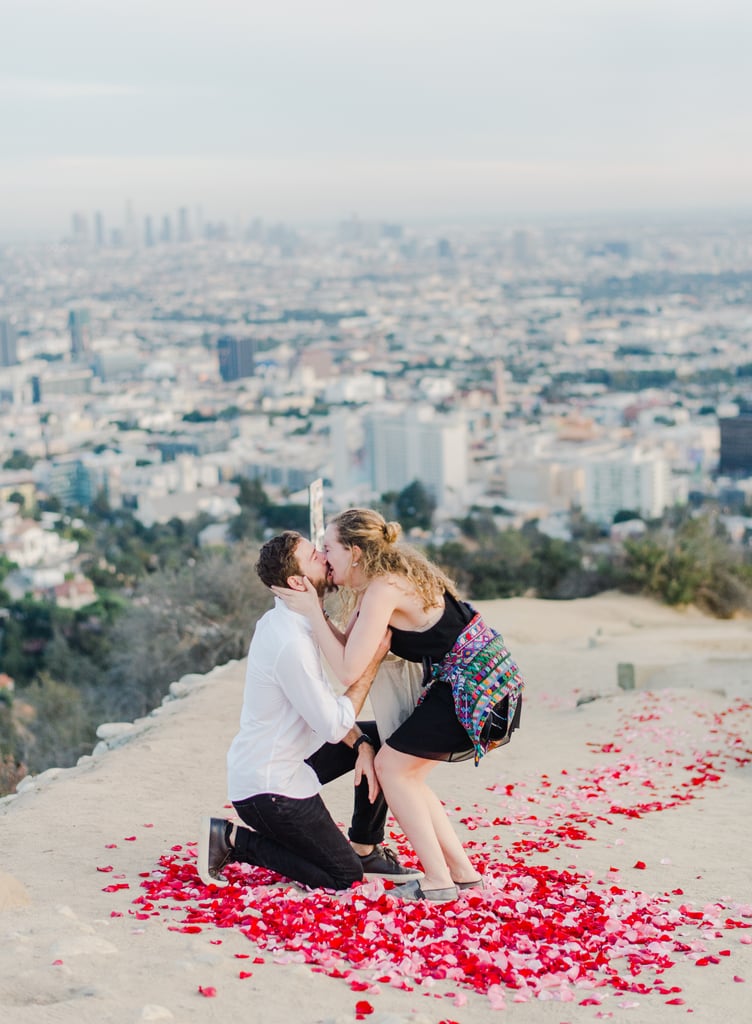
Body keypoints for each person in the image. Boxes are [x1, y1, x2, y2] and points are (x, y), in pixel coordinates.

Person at [271, 508, 523, 903]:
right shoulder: (376, 587)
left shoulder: (383, 589)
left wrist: (312, 613)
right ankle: (463, 874)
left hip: (474, 692)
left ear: (354, 552)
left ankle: (438, 882)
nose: (324, 556)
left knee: (392, 768)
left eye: (329, 548)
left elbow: (349, 668)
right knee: (406, 773)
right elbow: (345, 656)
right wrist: (313, 612)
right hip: (477, 686)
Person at [198, 530, 422, 892]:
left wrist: (363, 743)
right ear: (295, 581)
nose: (324, 556)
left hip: (294, 760)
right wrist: (371, 663)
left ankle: (365, 847)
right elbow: (334, 725)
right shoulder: (290, 642)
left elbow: (324, 709)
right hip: (270, 789)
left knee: (381, 739)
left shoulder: (297, 621)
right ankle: (233, 841)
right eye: (314, 556)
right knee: (342, 876)